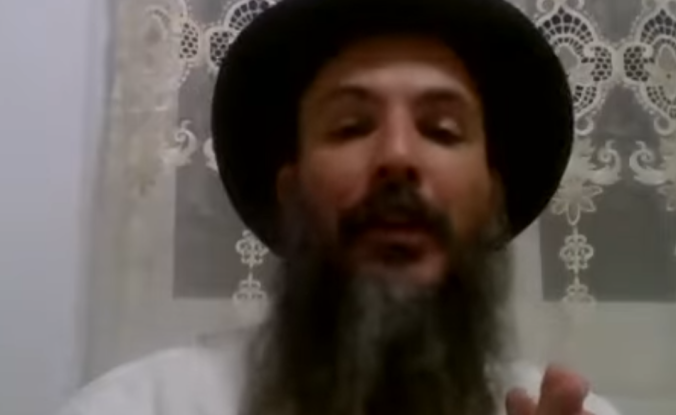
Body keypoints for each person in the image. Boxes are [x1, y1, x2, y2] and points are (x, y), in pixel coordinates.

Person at [59, 0, 623, 414]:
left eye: (442, 130)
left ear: (491, 198)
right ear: (291, 193)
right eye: (350, 126)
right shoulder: (141, 406)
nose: (397, 156)